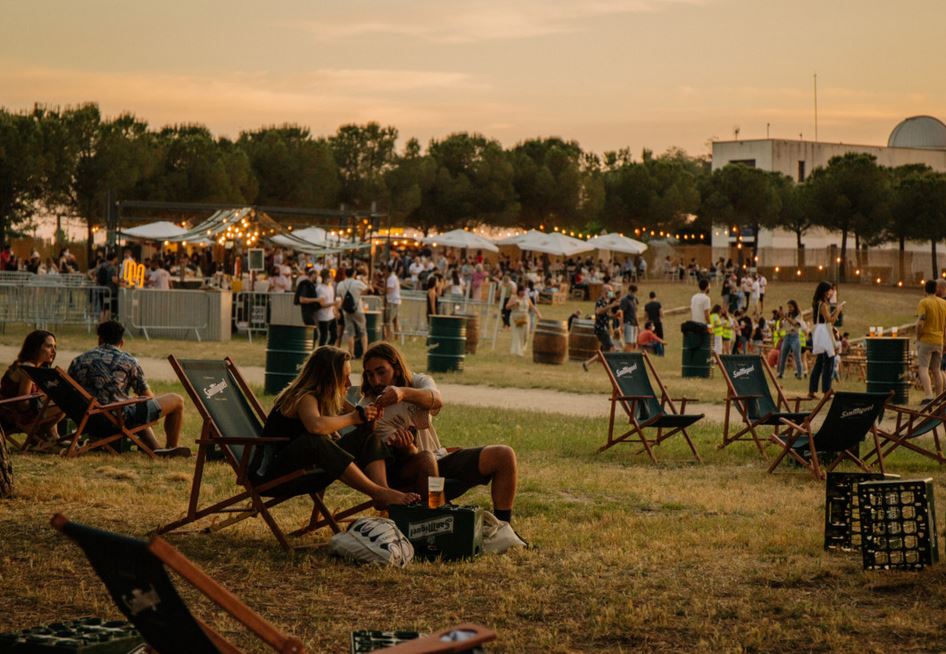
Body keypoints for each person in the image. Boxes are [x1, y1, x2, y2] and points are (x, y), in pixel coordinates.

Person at [360, 343, 518, 523]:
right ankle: (438, 518)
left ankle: (505, 527)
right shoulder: (371, 408)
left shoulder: (417, 381)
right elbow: (406, 455)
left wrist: (403, 393)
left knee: (504, 455)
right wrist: (406, 447)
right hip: (406, 471)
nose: (376, 381)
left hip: (438, 459)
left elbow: (437, 401)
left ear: (395, 369)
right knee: (426, 458)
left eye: (381, 372)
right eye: (370, 375)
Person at [249, 346, 419, 509]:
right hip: (271, 476)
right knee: (315, 440)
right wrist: (354, 417)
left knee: (368, 436)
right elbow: (316, 426)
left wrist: (369, 418)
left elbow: (365, 426)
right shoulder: (304, 397)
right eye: (344, 377)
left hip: (306, 470)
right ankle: (377, 492)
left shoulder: (326, 397)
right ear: (328, 378)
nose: (348, 383)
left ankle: (384, 492)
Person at [67, 321, 189, 457]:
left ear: (100, 339)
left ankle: (155, 448)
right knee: (177, 400)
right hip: (117, 419)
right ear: (122, 342)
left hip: (86, 419)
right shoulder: (128, 361)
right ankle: (171, 447)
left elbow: (70, 392)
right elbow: (148, 396)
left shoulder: (78, 360)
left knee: (131, 404)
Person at [0, 330, 65, 451]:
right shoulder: (27, 368)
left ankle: (51, 437)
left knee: (57, 400)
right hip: (10, 416)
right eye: (49, 346)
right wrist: (43, 401)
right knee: (63, 405)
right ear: (36, 347)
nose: (54, 351)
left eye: (55, 347)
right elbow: (23, 404)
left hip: (15, 413)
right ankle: (39, 439)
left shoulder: (36, 367)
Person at [809, 281, 845, 398]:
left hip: (818, 332)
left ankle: (812, 390)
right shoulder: (823, 305)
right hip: (824, 333)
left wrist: (834, 310)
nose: (831, 293)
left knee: (819, 362)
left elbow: (824, 318)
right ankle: (826, 391)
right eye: (829, 290)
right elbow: (830, 321)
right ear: (824, 291)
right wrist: (838, 310)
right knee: (829, 361)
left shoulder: (817, 304)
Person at [914, 279, 946, 404]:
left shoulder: (924, 302)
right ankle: (939, 397)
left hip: (926, 339)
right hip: (939, 340)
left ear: (925, 289)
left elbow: (920, 323)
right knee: (936, 370)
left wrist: (917, 337)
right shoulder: (943, 303)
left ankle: (928, 396)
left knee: (923, 368)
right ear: (936, 289)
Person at [335, 267, 369, 358]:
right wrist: (363, 281)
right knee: (363, 331)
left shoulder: (341, 284)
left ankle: (351, 353)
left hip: (346, 311)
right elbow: (368, 289)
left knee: (350, 333)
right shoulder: (357, 283)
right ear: (354, 274)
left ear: (346, 274)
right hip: (358, 310)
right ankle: (365, 352)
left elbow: (339, 298)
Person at [506, 287, 541, 357]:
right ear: (518, 291)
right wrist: (513, 304)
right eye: (521, 291)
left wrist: (538, 314)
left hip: (525, 318)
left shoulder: (527, 298)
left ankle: (522, 348)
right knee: (517, 335)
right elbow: (507, 307)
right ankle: (518, 352)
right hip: (515, 317)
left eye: (524, 291)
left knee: (525, 335)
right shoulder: (513, 297)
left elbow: (532, 307)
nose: (523, 293)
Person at [778, 300, 804, 379]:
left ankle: (800, 374)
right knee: (783, 356)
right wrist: (781, 318)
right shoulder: (787, 315)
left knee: (797, 357)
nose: (789, 308)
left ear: (794, 306)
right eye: (788, 307)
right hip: (787, 336)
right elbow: (781, 326)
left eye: (790, 307)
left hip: (794, 337)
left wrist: (786, 317)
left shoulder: (798, 315)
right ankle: (781, 374)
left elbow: (794, 323)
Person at [593, 282, 620, 354]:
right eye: (610, 291)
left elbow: (606, 316)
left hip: (605, 328)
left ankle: (597, 362)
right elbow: (598, 311)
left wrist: (615, 316)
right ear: (605, 291)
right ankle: (611, 363)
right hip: (601, 328)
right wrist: (611, 305)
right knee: (611, 347)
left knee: (605, 348)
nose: (612, 293)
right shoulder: (600, 301)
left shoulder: (606, 302)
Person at [315, 269, 336, 347]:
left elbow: (331, 300)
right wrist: (334, 304)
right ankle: (320, 352)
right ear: (324, 278)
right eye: (329, 277)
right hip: (323, 316)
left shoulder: (331, 287)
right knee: (324, 336)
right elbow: (322, 304)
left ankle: (329, 350)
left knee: (334, 335)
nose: (330, 279)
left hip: (331, 315)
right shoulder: (320, 288)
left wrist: (335, 311)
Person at [96, 252, 119, 322]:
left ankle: (101, 323)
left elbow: (96, 276)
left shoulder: (101, 265)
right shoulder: (112, 268)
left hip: (101, 289)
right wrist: (120, 281)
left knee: (102, 308)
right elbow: (114, 280)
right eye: (116, 258)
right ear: (114, 258)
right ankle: (105, 323)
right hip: (109, 290)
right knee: (108, 308)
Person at [383, 264, 401, 341]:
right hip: (396, 301)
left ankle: (388, 337)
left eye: (384, 270)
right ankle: (397, 336)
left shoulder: (391, 279)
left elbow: (389, 291)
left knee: (388, 320)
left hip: (392, 301)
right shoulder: (394, 277)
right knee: (395, 320)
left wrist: (379, 288)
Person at [619, 284, 639, 352]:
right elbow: (621, 313)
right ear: (629, 291)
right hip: (627, 323)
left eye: (635, 293)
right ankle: (624, 358)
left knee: (633, 343)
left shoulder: (634, 300)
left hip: (633, 323)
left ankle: (628, 358)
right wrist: (621, 325)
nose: (634, 294)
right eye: (633, 292)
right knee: (629, 343)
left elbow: (635, 312)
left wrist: (638, 325)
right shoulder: (625, 300)